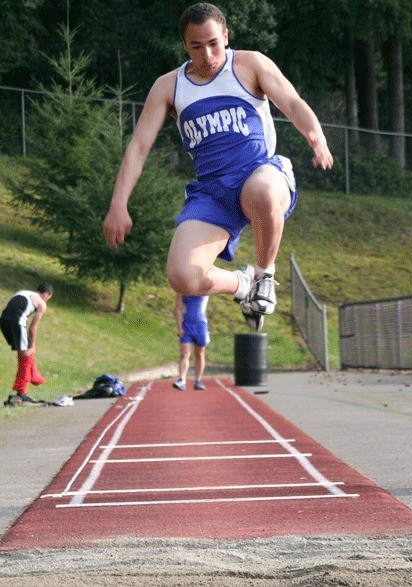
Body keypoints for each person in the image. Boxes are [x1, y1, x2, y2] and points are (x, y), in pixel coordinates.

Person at [103, 2, 333, 331]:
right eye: (196, 47)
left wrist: (316, 135)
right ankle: (243, 284)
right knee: (183, 276)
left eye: (213, 43)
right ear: (185, 45)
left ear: (226, 36)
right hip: (213, 193)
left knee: (263, 191)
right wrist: (118, 203)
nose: (207, 55)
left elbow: (292, 102)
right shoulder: (168, 87)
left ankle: (265, 275)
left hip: (261, 171)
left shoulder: (249, 64)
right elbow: (139, 146)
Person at [0, 283, 53, 403]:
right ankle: (22, 393)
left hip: (3, 321)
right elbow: (32, 328)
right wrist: (33, 346)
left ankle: (34, 377)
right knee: (27, 354)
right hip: (16, 321)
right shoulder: (42, 303)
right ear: (47, 294)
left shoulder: (23, 292)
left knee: (24, 354)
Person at [173, 293, 210, 390]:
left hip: (201, 326)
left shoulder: (204, 289)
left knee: (200, 354)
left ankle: (198, 381)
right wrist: (179, 327)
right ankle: (182, 380)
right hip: (186, 326)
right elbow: (179, 309)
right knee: (184, 354)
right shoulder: (182, 290)